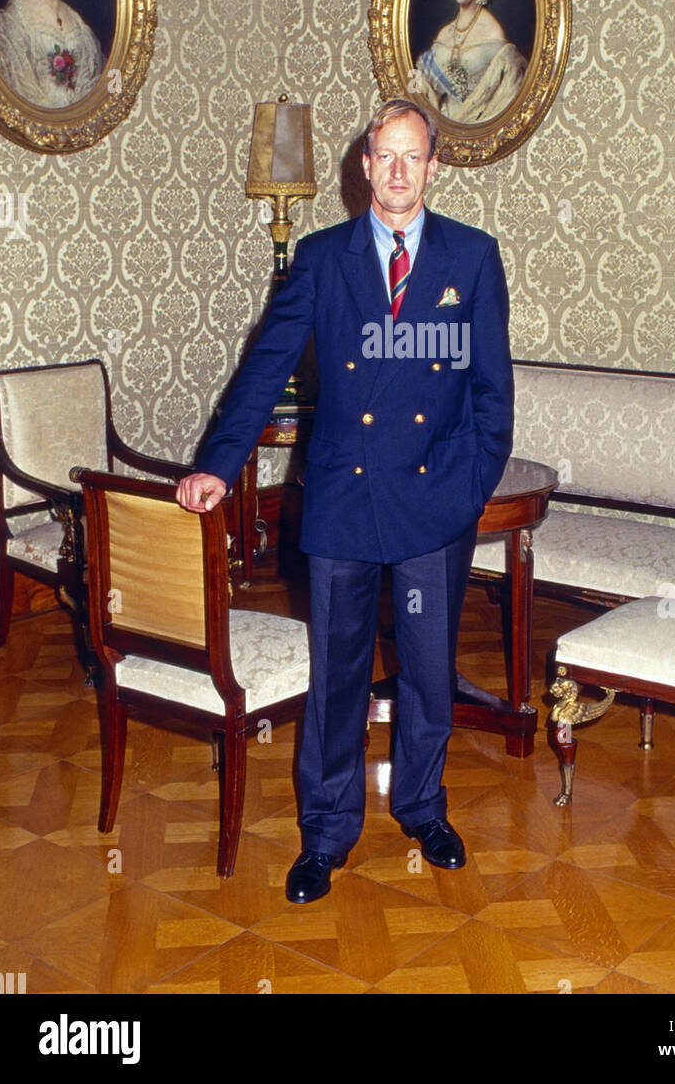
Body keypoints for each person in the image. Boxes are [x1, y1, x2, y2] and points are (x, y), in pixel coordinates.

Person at [178, 97, 514, 903]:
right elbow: (266, 366)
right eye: (383, 156)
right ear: (363, 167)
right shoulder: (323, 259)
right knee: (337, 677)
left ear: (434, 167)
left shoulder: (471, 258)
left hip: (434, 505)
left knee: (430, 673)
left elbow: (492, 392)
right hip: (341, 499)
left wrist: (468, 491)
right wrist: (220, 463)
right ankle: (325, 833)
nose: (397, 171)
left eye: (412, 157)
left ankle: (424, 808)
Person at [413, 0, 527, 123]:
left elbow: (504, 91)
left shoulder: (492, 31)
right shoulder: (445, 32)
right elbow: (423, 83)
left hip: (477, 128)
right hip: (441, 129)